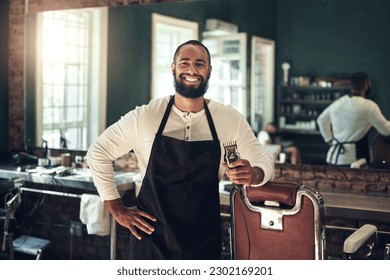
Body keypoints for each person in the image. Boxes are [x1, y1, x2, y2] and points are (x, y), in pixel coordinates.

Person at [86, 40, 274, 260]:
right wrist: (116, 208)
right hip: (151, 241)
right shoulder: (147, 116)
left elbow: (263, 160)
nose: (192, 70)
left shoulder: (228, 119)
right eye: (185, 63)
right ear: (173, 68)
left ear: (209, 71)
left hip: (203, 241)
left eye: (200, 64)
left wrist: (255, 173)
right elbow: (98, 152)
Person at [317, 72, 390, 166]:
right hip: (352, 161)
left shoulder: (339, 102)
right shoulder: (368, 106)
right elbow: (386, 130)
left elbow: (321, 120)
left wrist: (329, 140)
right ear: (366, 85)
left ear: (351, 85)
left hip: (333, 157)